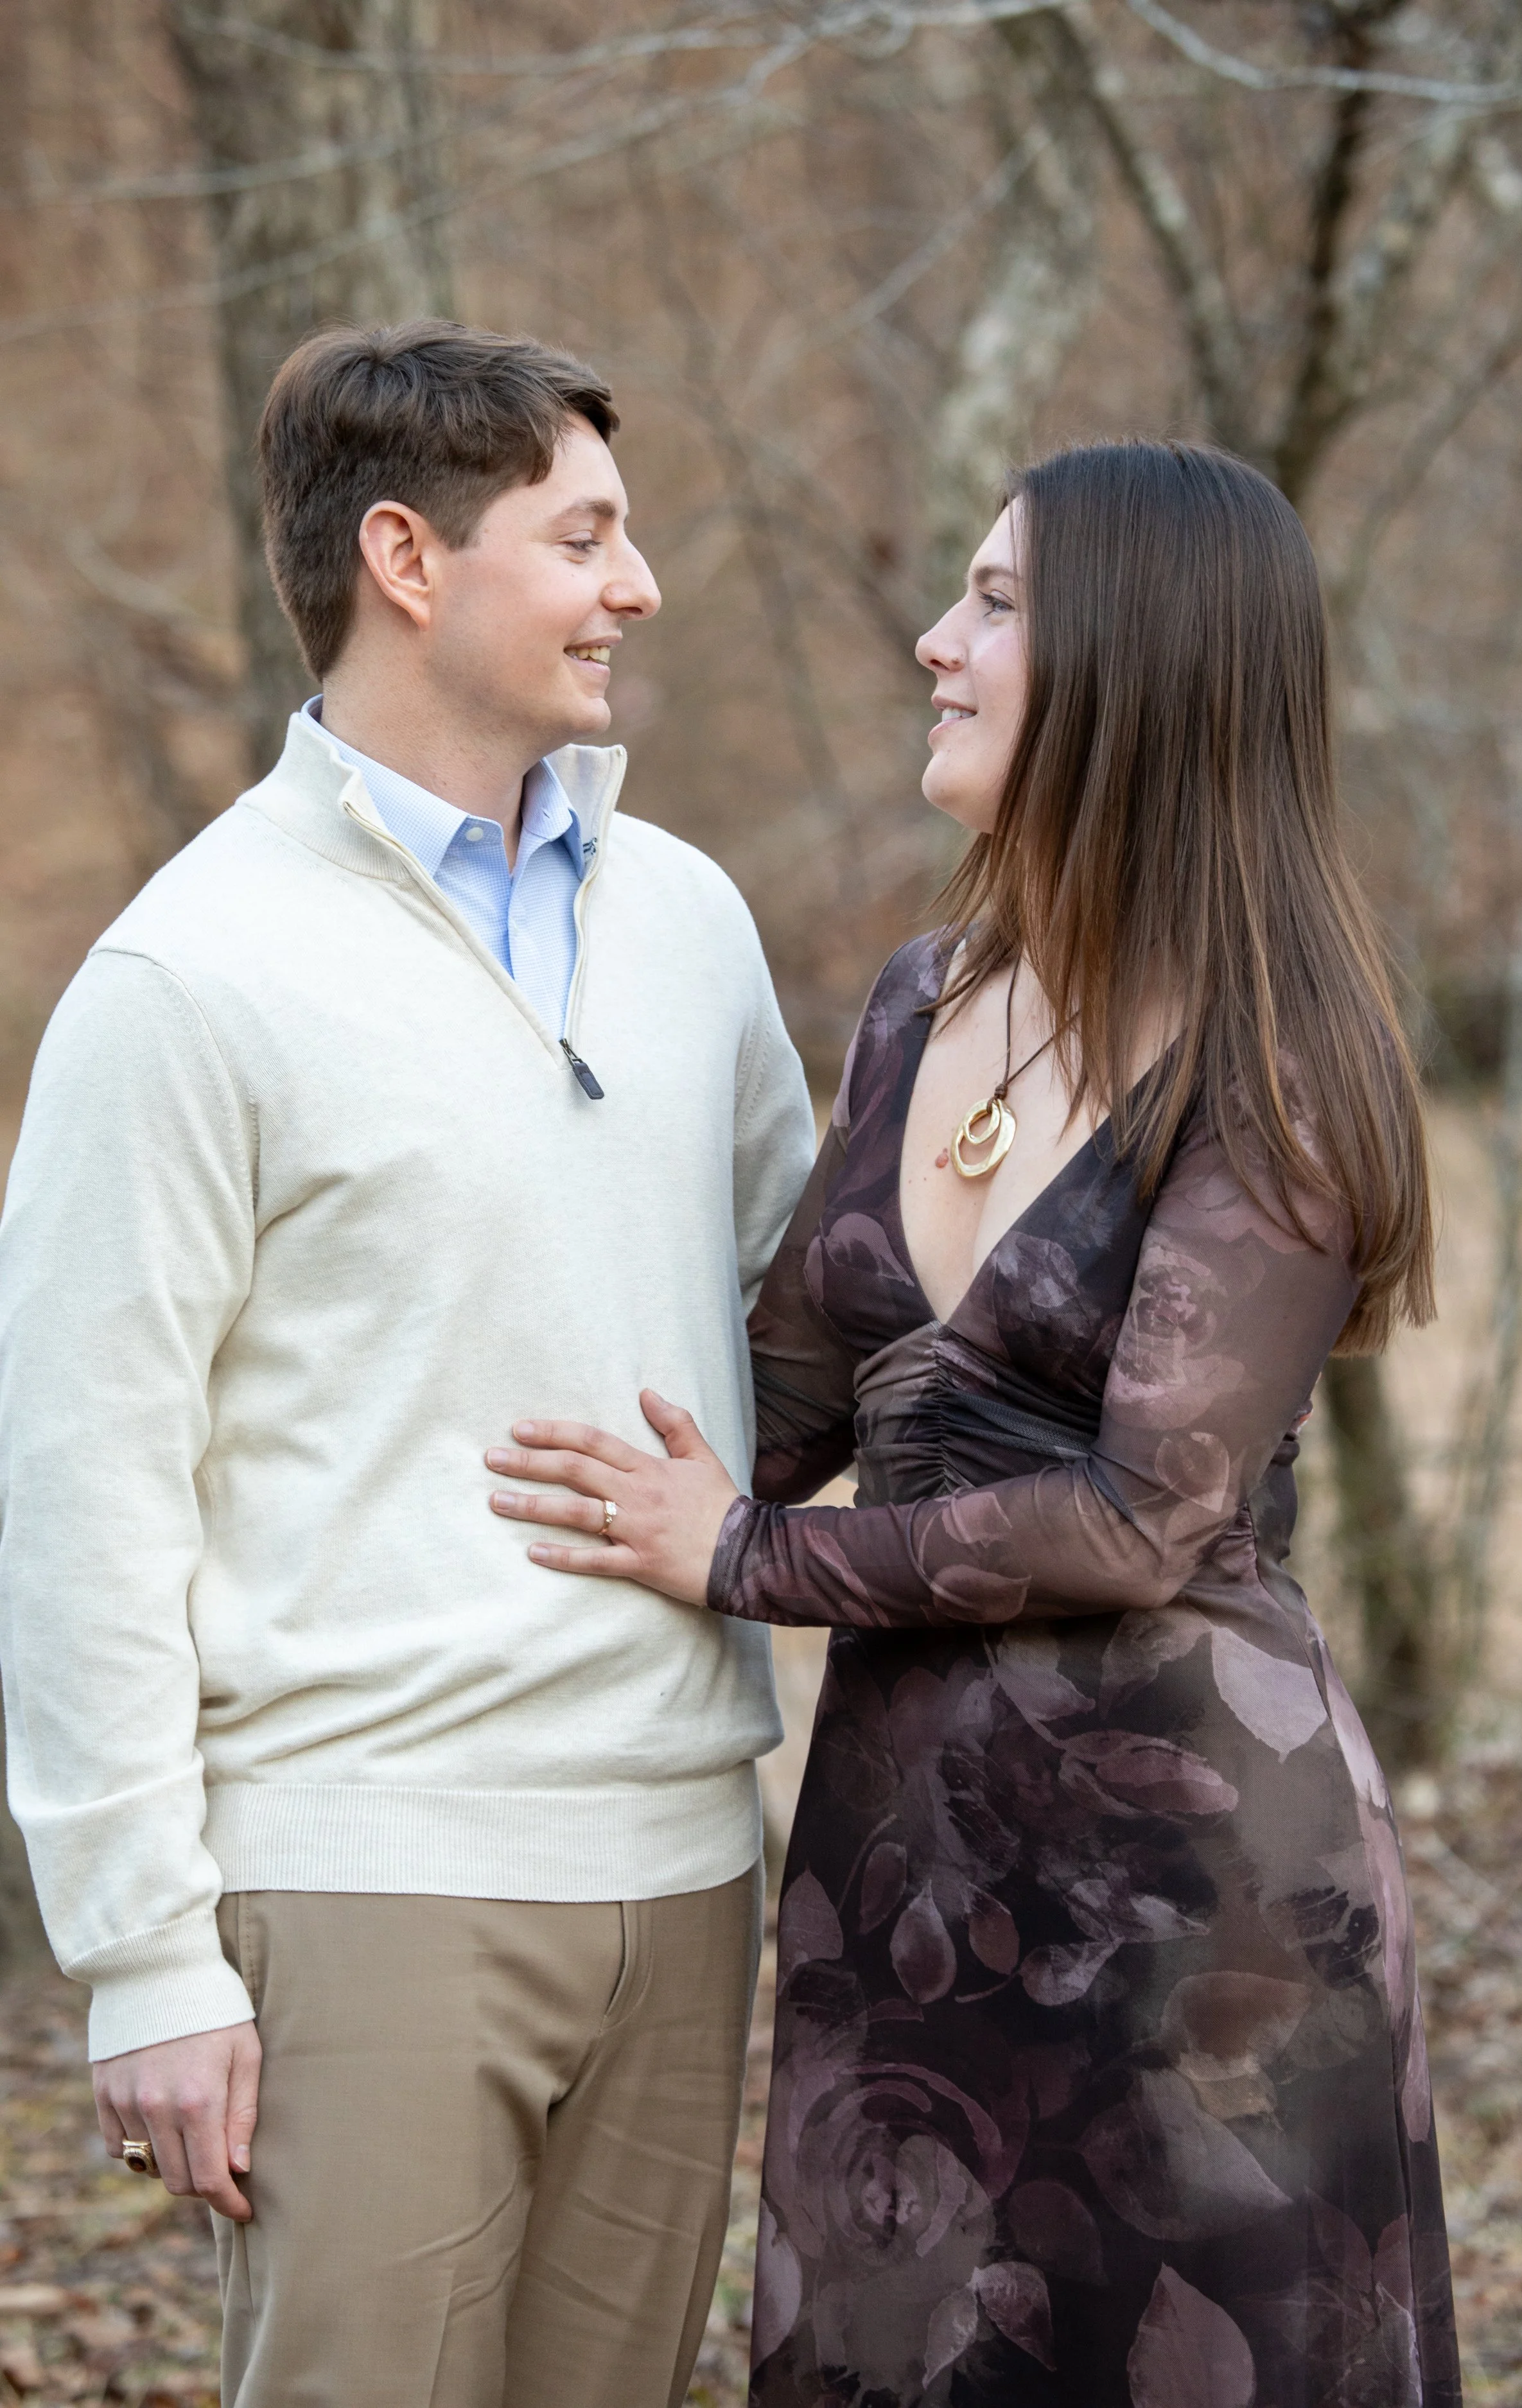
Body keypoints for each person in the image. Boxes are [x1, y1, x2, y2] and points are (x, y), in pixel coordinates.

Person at [481, 442, 1462, 2406]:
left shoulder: (1274, 1058)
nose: (936, 641)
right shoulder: (923, 1003)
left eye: (997, 604)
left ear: (1138, 664)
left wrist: (745, 1560)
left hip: (1201, 1895)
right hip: (903, 1871)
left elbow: (1134, 1516)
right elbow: (775, 1400)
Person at [0, 320, 815, 2408]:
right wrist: (144, 1955)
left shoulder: (688, 922)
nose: (636, 587)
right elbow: (77, 1485)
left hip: (685, 1855)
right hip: (366, 1878)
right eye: (584, 536)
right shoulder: (189, 976)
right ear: (406, 558)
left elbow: (804, 1326)